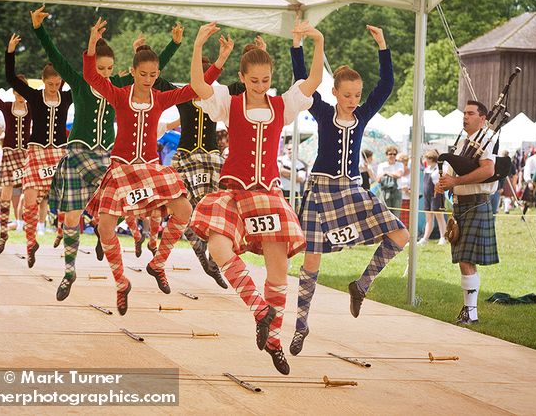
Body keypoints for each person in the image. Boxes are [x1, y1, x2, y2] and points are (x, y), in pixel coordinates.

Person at [190, 20, 324, 375]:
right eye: (254, 80)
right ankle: (259, 309)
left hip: (267, 193)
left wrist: (318, 41)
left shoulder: (283, 105)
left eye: (265, 80)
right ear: (243, 76)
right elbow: (198, 85)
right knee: (218, 248)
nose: (260, 86)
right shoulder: (228, 103)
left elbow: (313, 82)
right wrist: (199, 44)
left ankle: (275, 340)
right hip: (234, 191)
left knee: (279, 269)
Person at [30, 6, 183, 301]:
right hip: (78, 154)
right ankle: (70, 271)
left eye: (110, 69)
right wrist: (39, 29)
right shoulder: (78, 80)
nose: (106, 74)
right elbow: (55, 55)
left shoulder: (120, 87)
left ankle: (109, 237)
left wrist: (173, 45)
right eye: (101, 69)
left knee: (123, 206)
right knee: (72, 218)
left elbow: (149, 72)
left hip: (107, 159)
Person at [82, 17, 228, 315]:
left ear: (157, 74)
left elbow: (194, 89)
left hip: (149, 169)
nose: (148, 79)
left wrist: (221, 58)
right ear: (133, 72)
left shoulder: (161, 98)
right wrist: (93, 43)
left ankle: (158, 262)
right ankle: (121, 283)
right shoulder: (120, 95)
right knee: (106, 226)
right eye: (143, 74)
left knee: (184, 210)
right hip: (122, 169)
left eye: (153, 74)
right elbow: (92, 78)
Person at [289, 24, 407, 356]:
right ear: (335, 93)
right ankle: (300, 326)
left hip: (352, 190)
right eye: (347, 95)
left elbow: (386, 85)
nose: (353, 101)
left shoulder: (364, 115)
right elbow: (302, 83)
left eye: (357, 95)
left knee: (400, 235)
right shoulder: (323, 113)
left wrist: (383, 44)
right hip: (322, 191)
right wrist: (298, 44)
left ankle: (361, 285)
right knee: (311, 262)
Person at [155, 40, 264, 289]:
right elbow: (156, 78)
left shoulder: (220, 95)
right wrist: (150, 51)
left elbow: (249, 82)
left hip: (212, 156)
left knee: (217, 210)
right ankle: (202, 256)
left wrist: (260, 54)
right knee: (186, 210)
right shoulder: (183, 95)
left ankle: (214, 260)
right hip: (186, 155)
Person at [6, 33, 72, 268]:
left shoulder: (66, 97)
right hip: (36, 151)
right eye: (51, 84)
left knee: (65, 194)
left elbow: (88, 82)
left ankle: (62, 230)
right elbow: (11, 79)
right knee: (31, 197)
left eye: (58, 84)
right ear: (43, 81)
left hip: (58, 152)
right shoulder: (34, 96)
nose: (55, 88)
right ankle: (31, 242)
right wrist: (10, 53)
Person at [435, 100, 499, 326]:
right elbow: (455, 175)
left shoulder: (486, 141)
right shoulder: (464, 142)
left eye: (471, 113)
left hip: (475, 203)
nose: (465, 117)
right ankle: (469, 310)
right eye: (464, 113)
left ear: (483, 119)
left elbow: (488, 170)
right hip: (462, 204)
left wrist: (456, 181)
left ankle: (471, 312)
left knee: (466, 258)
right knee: (463, 258)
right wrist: (445, 184)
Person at [0, 56, 31, 253]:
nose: (21, 94)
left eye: (24, 90)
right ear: (13, 91)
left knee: (31, 193)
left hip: (27, 154)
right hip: (11, 153)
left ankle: (31, 232)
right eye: (18, 90)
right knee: (6, 193)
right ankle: (3, 232)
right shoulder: (7, 107)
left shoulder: (32, 108)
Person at [418, 149, 447, 245]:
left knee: (439, 216)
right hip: (427, 196)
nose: (425, 160)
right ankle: (425, 238)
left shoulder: (439, 169)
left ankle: (443, 237)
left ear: (431, 159)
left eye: (427, 158)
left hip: (436, 196)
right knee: (428, 218)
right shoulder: (427, 169)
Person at [376, 145, 404, 211]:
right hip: (384, 191)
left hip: (396, 191)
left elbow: (399, 175)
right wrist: (393, 174)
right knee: (385, 213)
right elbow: (378, 179)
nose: (392, 156)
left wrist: (386, 173)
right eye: (390, 154)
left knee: (396, 214)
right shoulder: (381, 165)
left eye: (394, 154)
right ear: (386, 155)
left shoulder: (399, 164)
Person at [521, 146, 536, 218]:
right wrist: (529, 182)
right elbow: (527, 170)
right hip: (531, 180)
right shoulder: (531, 159)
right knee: (528, 200)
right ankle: (523, 216)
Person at [397, 152, 411, 227]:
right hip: (397, 199)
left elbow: (416, 192)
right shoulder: (396, 171)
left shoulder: (412, 174)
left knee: (407, 223)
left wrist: (407, 190)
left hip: (407, 200)